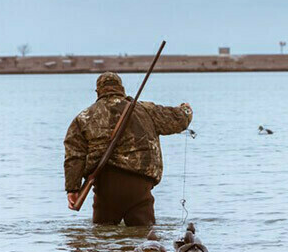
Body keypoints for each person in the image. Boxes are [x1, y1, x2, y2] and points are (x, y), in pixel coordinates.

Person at [63, 72, 192, 226]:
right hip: (139, 186)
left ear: (98, 91)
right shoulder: (146, 110)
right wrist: (186, 109)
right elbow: (178, 119)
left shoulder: (83, 118)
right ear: (121, 89)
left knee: (103, 239)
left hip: (105, 186)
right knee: (145, 239)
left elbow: (74, 156)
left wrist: (72, 188)